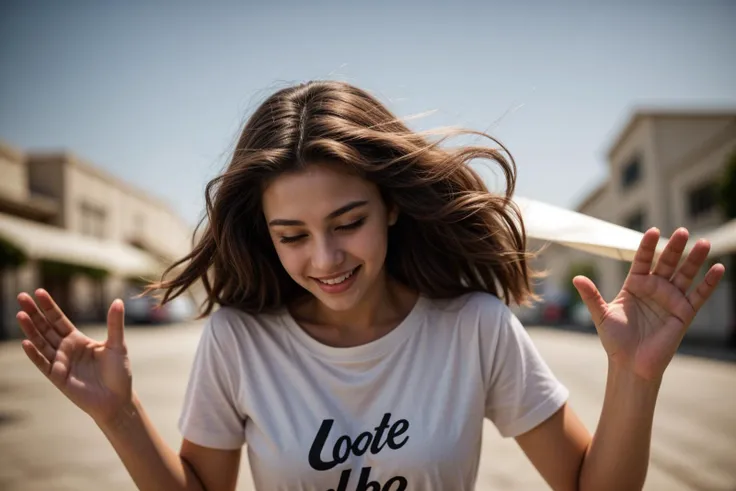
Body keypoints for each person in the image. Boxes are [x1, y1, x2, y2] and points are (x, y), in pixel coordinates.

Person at [15, 80, 724, 491]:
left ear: (389, 204)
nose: (324, 257)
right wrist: (121, 414)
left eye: (347, 221)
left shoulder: (474, 326)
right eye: (291, 234)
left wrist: (634, 377)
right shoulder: (239, 339)